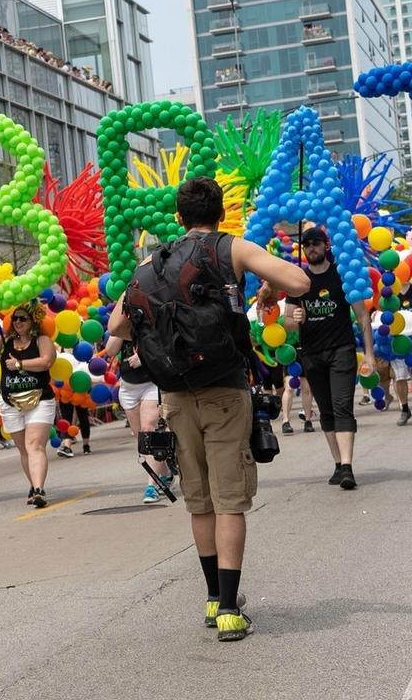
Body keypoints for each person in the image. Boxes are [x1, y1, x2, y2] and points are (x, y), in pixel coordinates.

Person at [108, 176, 310, 643]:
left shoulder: (151, 263)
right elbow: (299, 281)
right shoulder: (230, 248)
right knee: (229, 501)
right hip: (224, 389)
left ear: (179, 217)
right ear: (220, 213)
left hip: (176, 394)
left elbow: (118, 324)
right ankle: (230, 610)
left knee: (199, 502)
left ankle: (213, 598)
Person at [284, 227, 377, 490]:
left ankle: (347, 466)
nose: (311, 248)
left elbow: (362, 316)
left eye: (316, 243)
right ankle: (337, 463)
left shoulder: (342, 275)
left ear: (326, 246)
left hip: (341, 350)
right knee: (325, 409)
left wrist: (369, 354)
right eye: (306, 244)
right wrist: (295, 318)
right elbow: (288, 322)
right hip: (312, 354)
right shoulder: (298, 281)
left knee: (342, 405)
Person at [0, 302, 56, 507]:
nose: (18, 322)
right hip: (10, 402)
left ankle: (39, 489)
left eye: (23, 318)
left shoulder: (42, 340)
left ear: (33, 321)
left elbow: (46, 362)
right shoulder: (5, 341)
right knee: (24, 449)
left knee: (34, 445)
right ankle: (33, 485)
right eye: (15, 318)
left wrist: (20, 364)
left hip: (39, 399)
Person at [106, 333, 168, 502]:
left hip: (152, 383)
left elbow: (166, 344)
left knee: (149, 429)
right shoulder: (123, 324)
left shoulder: (151, 320)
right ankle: (164, 472)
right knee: (142, 439)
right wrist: (121, 326)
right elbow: (110, 350)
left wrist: (145, 358)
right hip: (128, 387)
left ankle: (152, 486)